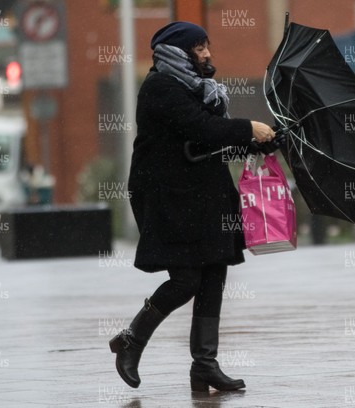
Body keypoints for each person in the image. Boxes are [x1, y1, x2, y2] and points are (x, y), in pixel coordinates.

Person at [109, 21, 276, 391]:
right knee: (185, 279)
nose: (207, 53)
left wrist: (257, 142)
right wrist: (248, 128)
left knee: (214, 271)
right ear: (178, 52)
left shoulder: (205, 90)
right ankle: (130, 341)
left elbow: (211, 144)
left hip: (206, 194)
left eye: (207, 46)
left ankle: (205, 365)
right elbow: (200, 129)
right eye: (199, 48)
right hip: (169, 198)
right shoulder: (160, 88)